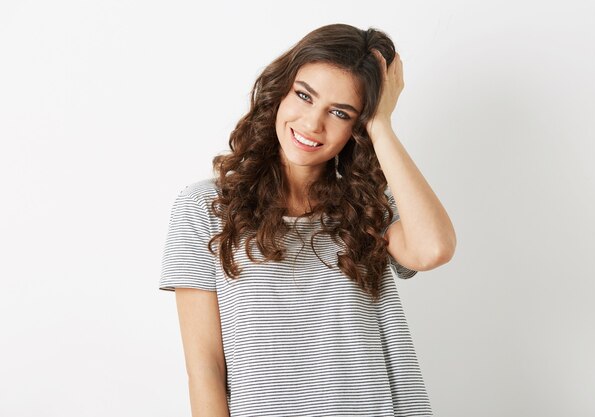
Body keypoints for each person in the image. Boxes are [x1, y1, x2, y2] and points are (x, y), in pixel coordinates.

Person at [159, 23, 456, 417]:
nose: (313, 124)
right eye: (304, 96)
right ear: (280, 92)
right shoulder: (205, 207)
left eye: (340, 112)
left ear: (357, 127)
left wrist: (381, 124)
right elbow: (206, 371)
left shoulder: (369, 205)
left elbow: (433, 248)